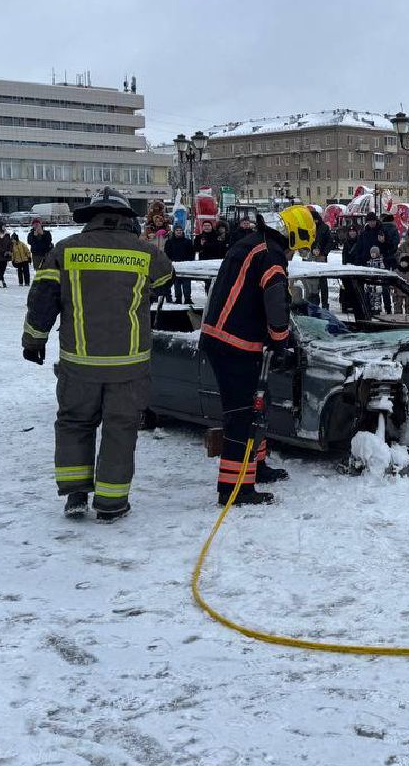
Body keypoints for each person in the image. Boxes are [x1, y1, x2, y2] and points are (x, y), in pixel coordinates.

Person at [21, 188, 173, 521]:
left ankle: (76, 495)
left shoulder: (65, 250)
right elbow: (166, 278)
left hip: (79, 363)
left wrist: (33, 341)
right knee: (120, 430)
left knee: (75, 423)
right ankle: (111, 504)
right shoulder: (144, 252)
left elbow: (42, 300)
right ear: (126, 219)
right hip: (129, 365)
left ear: (90, 217)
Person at [199, 205, 314, 507]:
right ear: (293, 235)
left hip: (227, 339)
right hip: (234, 343)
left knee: (259, 405)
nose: (292, 255)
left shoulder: (252, 243)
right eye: (296, 249)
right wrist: (281, 341)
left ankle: (256, 466)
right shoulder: (270, 255)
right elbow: (276, 302)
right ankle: (235, 488)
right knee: (243, 415)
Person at [163, 225, 197, 304]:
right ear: (174, 232)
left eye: (180, 230)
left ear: (182, 231)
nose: (179, 232)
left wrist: (190, 262)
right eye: (177, 230)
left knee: (187, 283)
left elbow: (192, 253)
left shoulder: (188, 242)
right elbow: (167, 253)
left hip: (186, 265)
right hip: (175, 265)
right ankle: (178, 298)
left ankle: (187, 298)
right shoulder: (169, 242)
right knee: (176, 283)